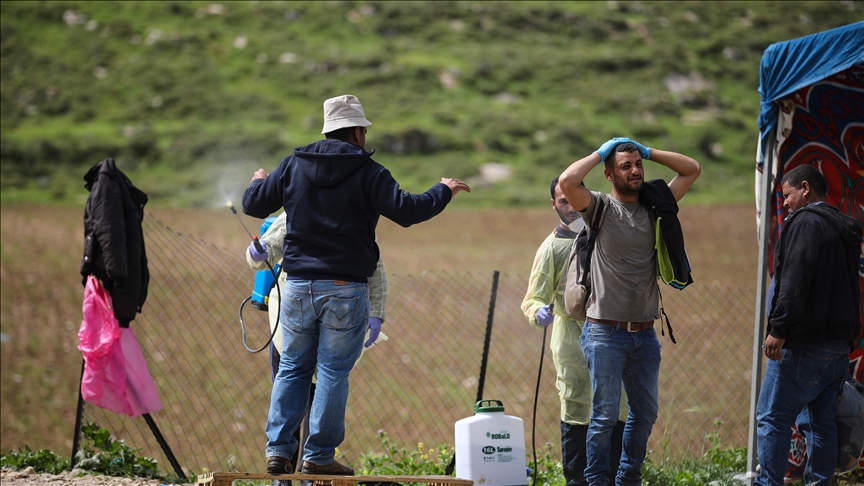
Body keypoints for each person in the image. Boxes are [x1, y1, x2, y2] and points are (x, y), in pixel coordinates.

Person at [242, 94, 470, 477]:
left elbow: (253, 205)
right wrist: (443, 189)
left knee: (293, 369)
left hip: (296, 286)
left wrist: (257, 182)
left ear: (328, 128)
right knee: (331, 373)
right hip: (345, 288)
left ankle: (278, 452)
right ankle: (318, 456)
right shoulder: (370, 172)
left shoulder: (293, 165)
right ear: (358, 132)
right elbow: (409, 211)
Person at [558, 138, 701, 485]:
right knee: (605, 416)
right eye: (626, 166)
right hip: (605, 333)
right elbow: (567, 182)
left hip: (645, 334)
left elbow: (691, 169)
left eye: (639, 165)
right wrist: (600, 152)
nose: (636, 171)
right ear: (609, 174)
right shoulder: (599, 208)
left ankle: (627, 478)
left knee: (646, 413)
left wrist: (649, 151)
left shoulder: (656, 206)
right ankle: (597, 481)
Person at [246, 212, 389, 478]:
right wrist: (258, 253)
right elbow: (374, 263)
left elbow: (269, 249)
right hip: (336, 302)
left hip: (294, 305)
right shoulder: (357, 205)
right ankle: (313, 461)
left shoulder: (297, 200)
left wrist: (376, 312)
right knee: (326, 377)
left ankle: (282, 457)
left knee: (294, 376)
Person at [754, 164, 862, 486]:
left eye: (787, 195)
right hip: (836, 349)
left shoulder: (806, 222)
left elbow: (795, 279)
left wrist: (779, 330)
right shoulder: (842, 228)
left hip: (803, 347)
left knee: (772, 417)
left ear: (804, 187)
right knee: (821, 423)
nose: (784, 203)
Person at [520, 177, 628, 486]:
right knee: (577, 409)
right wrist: (537, 312)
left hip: (612, 339)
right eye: (562, 201)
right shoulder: (552, 247)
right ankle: (577, 480)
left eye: (573, 198)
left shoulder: (605, 236)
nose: (569, 207)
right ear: (553, 205)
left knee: (617, 408)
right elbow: (534, 296)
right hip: (571, 343)